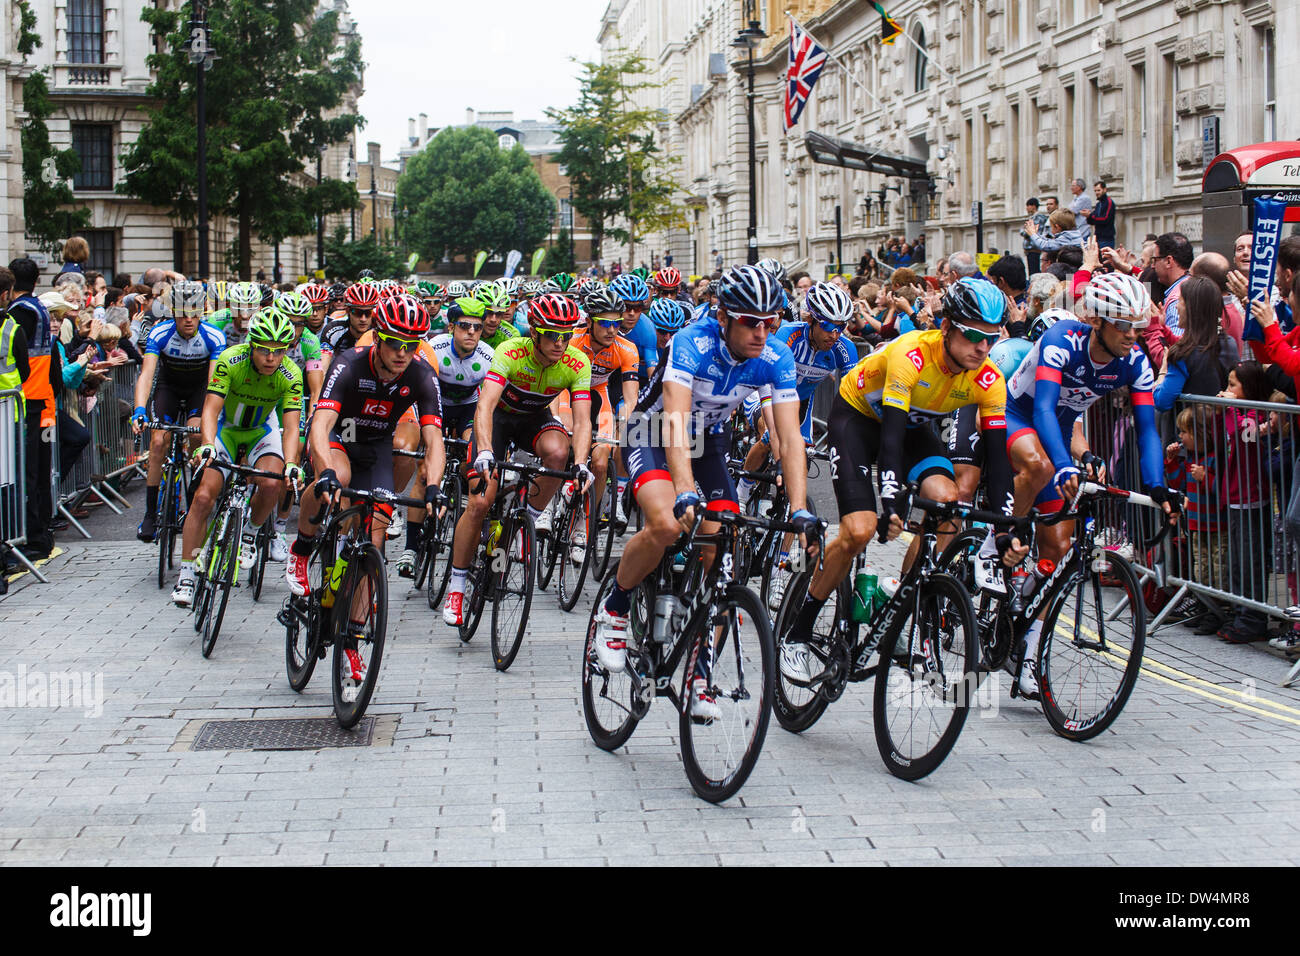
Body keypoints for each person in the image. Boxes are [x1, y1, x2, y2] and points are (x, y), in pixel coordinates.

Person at [593, 265, 816, 718]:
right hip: (655, 431)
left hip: (709, 441)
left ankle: (699, 674)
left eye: (769, 322)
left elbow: (791, 438)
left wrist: (799, 510)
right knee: (665, 522)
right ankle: (614, 610)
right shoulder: (692, 342)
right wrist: (683, 490)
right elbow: (673, 419)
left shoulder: (775, 356)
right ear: (723, 317)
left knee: (725, 543)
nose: (761, 332)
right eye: (750, 322)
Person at [780, 277, 1023, 685]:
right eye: (973, 336)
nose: (983, 348)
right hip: (859, 421)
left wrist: (1004, 530)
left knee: (949, 505)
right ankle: (799, 630)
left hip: (914, 428)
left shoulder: (988, 378)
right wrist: (890, 503)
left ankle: (905, 596)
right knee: (860, 529)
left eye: (990, 338)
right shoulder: (911, 354)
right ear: (946, 329)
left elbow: (999, 462)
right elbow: (889, 439)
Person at [1003, 271, 1177, 690]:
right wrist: (1064, 465)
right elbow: (1043, 407)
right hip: (1017, 418)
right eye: (1124, 325)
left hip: (1057, 434)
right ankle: (997, 543)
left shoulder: (1134, 362)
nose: (1133, 335)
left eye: (1138, 326)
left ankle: (1026, 652)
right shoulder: (1063, 340)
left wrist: (1157, 486)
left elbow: (1148, 430)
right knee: (1041, 467)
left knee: (1059, 550)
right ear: (1097, 320)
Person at [441, 294, 592, 627]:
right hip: (497, 421)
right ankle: (456, 583)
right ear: (535, 333)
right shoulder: (511, 352)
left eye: (567, 335)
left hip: (532, 420)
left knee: (559, 452)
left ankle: (529, 519)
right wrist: (483, 450)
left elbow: (582, 421)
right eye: (553, 335)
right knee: (481, 501)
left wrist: (581, 463)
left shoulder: (577, 362)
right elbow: (485, 406)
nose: (561, 342)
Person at [174, 307, 304, 607]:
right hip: (227, 431)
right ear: (251, 345)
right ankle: (186, 574)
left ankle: (250, 532)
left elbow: (290, 426)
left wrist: (293, 462)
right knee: (204, 497)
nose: (271, 358)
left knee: (272, 483)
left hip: (261, 430)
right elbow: (210, 409)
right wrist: (207, 444)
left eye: (278, 351)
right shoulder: (230, 361)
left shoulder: (291, 373)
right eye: (264, 350)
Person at [130, 281, 226, 542]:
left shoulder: (214, 336)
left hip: (199, 389)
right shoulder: (160, 334)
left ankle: (197, 500)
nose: (188, 319)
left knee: (197, 437)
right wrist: (139, 409)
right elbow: (147, 375)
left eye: (194, 313)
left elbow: (214, 384)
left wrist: (210, 418)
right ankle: (151, 514)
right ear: (173, 313)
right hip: (168, 388)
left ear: (202, 312)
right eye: (182, 313)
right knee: (159, 440)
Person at [8, 258, 57, 559]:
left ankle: (34, 535)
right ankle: (41, 533)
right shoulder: (40, 308)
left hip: (27, 401)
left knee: (30, 473)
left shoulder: (18, 314)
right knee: (38, 470)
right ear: (37, 280)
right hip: (43, 400)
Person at [1153, 276, 1233, 412]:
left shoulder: (1183, 353)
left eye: (1180, 301)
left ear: (1192, 309)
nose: (1176, 307)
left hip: (1187, 430)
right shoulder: (1229, 343)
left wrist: (1163, 372)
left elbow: (1162, 401)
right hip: (1219, 428)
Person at [1153, 232, 1194, 335]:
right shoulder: (1193, 285)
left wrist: (1153, 329)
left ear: (1168, 261)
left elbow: (1176, 348)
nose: (1152, 266)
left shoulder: (1177, 301)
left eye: (1155, 260)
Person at [1086, 181, 1116, 249]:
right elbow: (1092, 221)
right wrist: (1088, 216)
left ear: (1104, 190)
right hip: (1098, 238)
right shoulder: (1098, 204)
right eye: (1095, 191)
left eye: (1098, 190)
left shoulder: (1109, 202)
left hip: (1106, 238)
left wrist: (1090, 215)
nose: (1097, 193)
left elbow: (1105, 219)